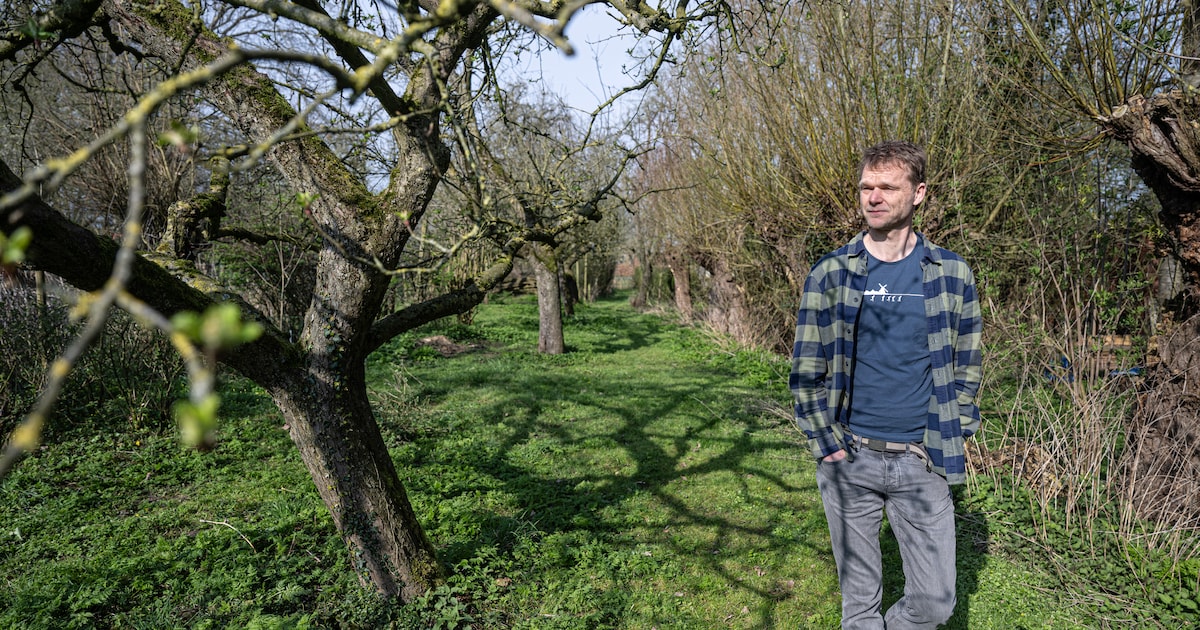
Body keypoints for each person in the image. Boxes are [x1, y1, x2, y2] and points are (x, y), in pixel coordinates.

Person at [789, 140, 982, 629]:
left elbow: (967, 364)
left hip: (923, 458)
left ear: (918, 193)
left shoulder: (951, 273)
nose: (873, 197)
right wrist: (825, 444)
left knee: (936, 602)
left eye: (887, 187)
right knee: (859, 604)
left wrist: (954, 431)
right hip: (850, 456)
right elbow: (805, 370)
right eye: (866, 187)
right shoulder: (831, 274)